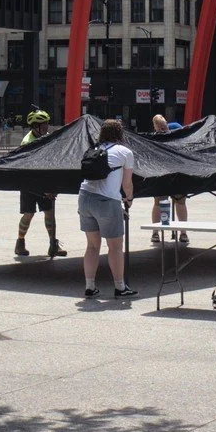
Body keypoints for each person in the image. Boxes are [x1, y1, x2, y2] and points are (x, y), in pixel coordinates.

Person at [79, 116, 136, 302]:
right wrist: (128, 198)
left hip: (85, 197)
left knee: (92, 246)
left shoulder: (93, 149)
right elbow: (127, 184)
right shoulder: (125, 152)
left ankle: (90, 286)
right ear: (120, 133)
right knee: (115, 247)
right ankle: (120, 287)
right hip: (107, 201)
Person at [16, 108, 65, 259]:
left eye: (47, 125)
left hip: (45, 183)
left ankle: (53, 244)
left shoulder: (47, 138)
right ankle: (20, 242)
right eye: (43, 125)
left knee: (49, 214)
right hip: (29, 183)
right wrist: (44, 190)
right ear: (35, 127)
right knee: (28, 214)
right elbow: (29, 171)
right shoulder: (27, 143)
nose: (46, 128)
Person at [149, 112, 189, 231]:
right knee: (178, 202)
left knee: (161, 203)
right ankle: (182, 233)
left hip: (166, 173)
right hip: (174, 173)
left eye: (163, 127)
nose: (162, 129)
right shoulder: (175, 130)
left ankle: (158, 232)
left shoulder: (156, 136)